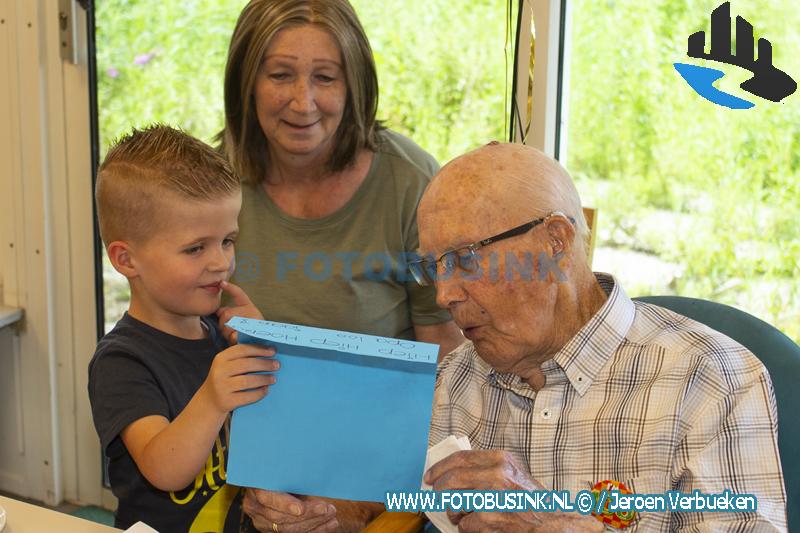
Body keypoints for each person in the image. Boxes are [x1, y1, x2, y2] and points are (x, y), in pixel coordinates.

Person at [413, 142, 788, 532]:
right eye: (432, 267)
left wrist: (547, 523)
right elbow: (403, 506)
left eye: (466, 259)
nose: (444, 294)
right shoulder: (456, 378)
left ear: (554, 243)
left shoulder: (710, 380)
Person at [220, 1, 464, 530]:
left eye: (325, 77)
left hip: (379, 472)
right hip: (243, 462)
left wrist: (363, 504)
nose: (302, 102)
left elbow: (449, 368)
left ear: (354, 85)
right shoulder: (211, 184)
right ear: (246, 80)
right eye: (280, 74)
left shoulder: (411, 185)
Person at [88, 125, 278, 532]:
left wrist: (263, 346)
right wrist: (212, 398)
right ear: (126, 260)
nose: (220, 263)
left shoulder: (222, 332)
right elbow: (164, 469)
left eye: (228, 240)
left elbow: (278, 430)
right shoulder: (121, 361)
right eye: (195, 248)